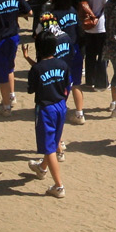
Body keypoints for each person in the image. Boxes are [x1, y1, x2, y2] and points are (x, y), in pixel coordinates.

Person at [22, 30, 70, 198]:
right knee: (54, 140)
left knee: (49, 147)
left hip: (45, 109)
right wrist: (29, 60)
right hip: (61, 106)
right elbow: (66, 86)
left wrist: (30, 62)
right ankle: (42, 168)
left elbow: (31, 89)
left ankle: (58, 186)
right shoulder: (63, 65)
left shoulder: (36, 69)